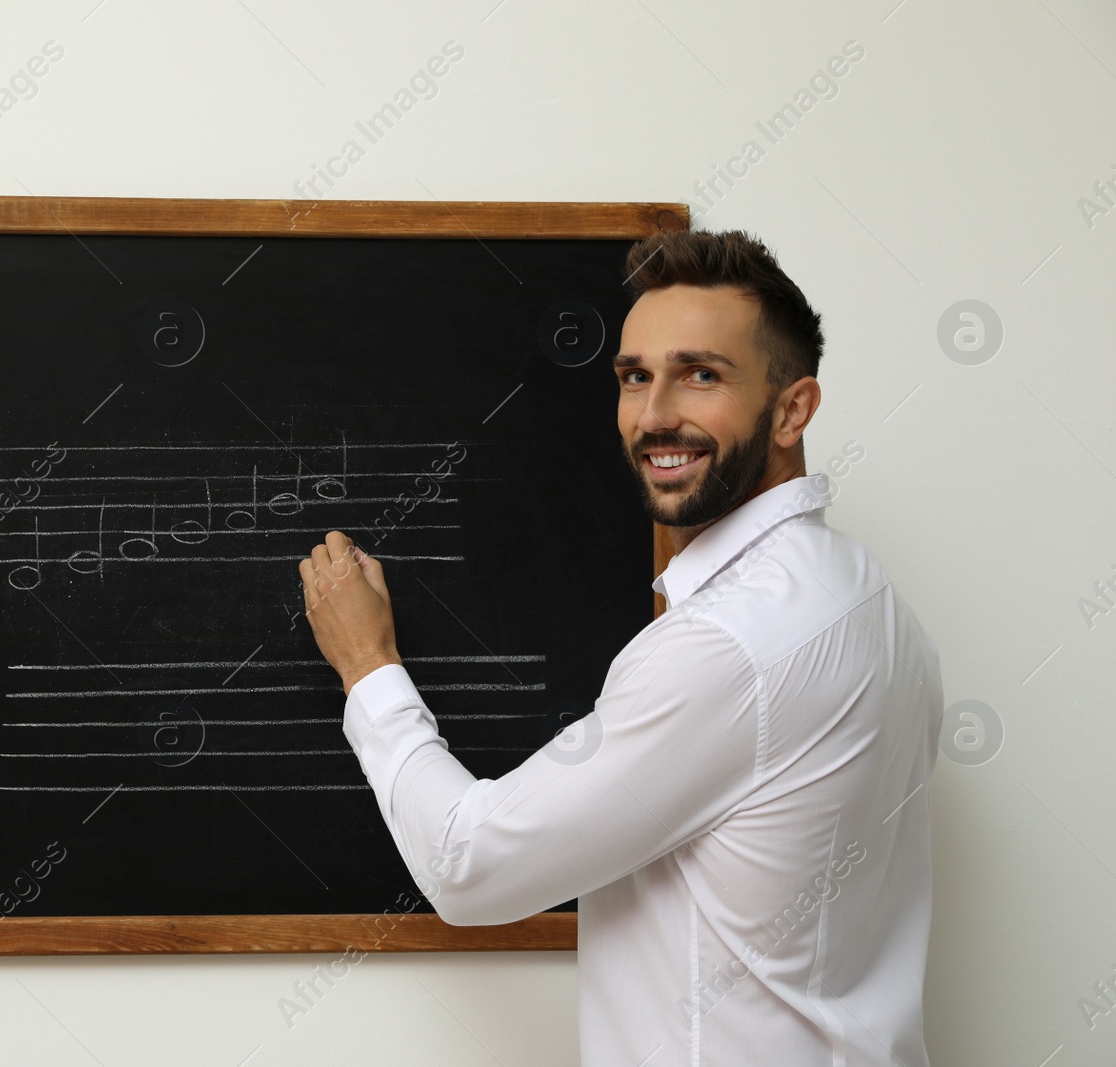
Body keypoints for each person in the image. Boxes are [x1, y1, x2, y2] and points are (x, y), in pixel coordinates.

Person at [298, 229, 944, 1066]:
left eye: (701, 374)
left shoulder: (725, 644)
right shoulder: (872, 598)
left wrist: (367, 665)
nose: (654, 413)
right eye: (635, 376)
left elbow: (468, 864)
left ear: (793, 408)